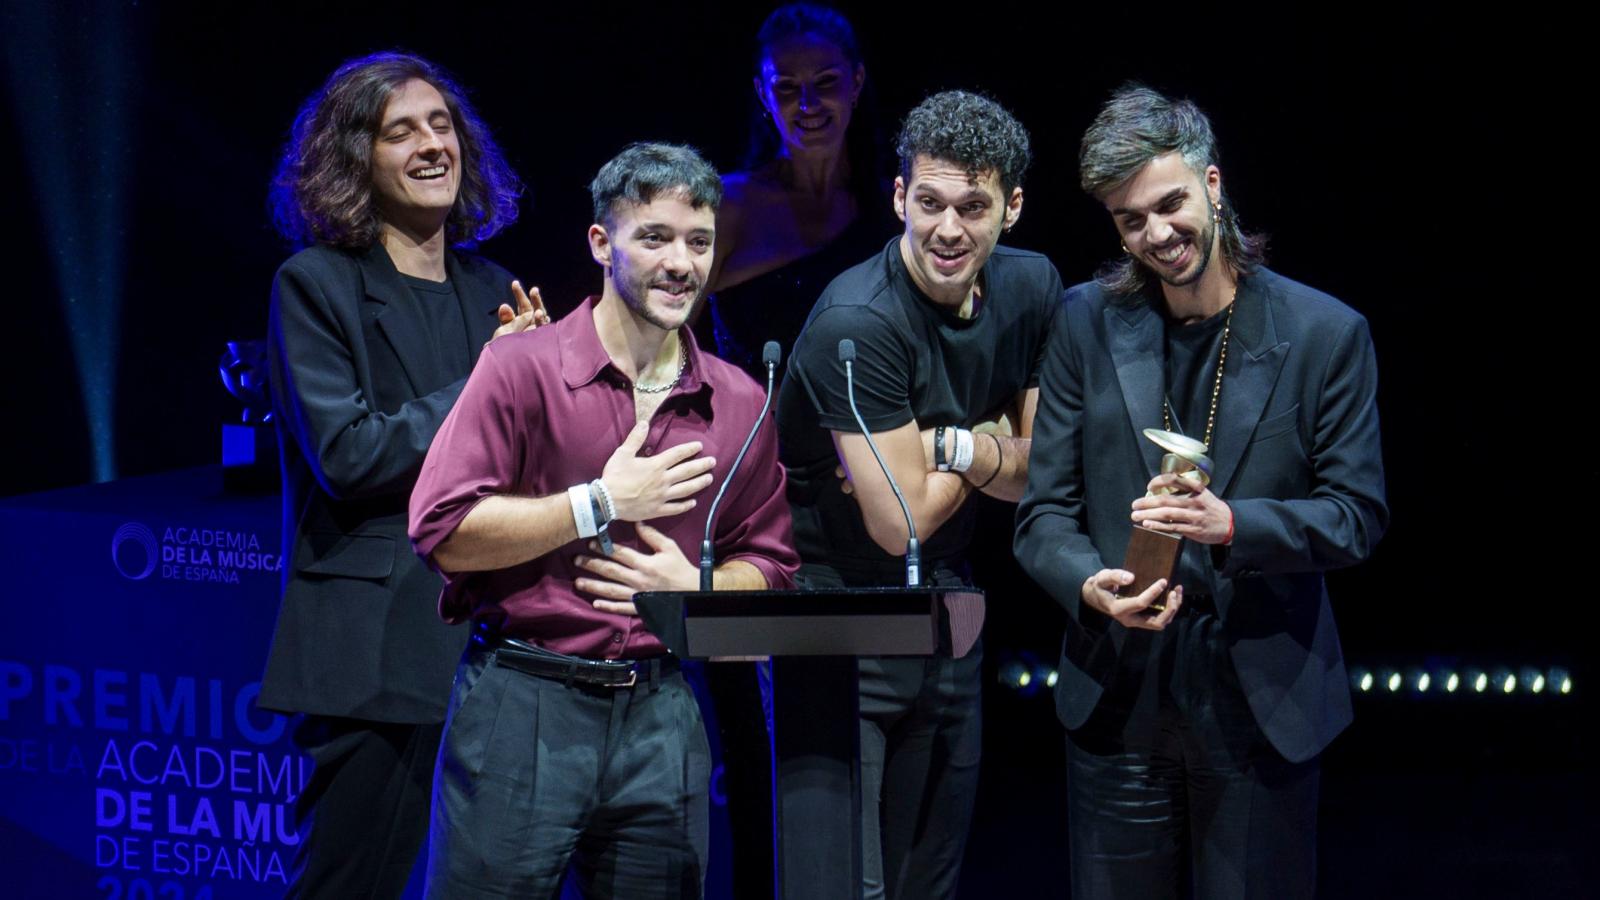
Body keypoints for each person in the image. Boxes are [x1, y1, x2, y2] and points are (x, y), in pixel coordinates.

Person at [1014, 85, 1388, 899]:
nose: (1156, 234)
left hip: (1262, 706)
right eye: (1128, 220)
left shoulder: (1324, 333)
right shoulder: (1084, 323)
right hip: (1118, 698)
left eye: (1170, 204)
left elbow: (1356, 517)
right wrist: (1087, 580)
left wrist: (1233, 526)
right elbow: (1042, 513)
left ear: (1213, 185)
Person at [408, 142, 799, 898]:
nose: (680, 263)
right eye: (654, 237)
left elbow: (775, 568)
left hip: (662, 709)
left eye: (699, 241)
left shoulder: (740, 400)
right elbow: (441, 531)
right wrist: (599, 503)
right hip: (525, 699)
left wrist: (699, 586)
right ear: (601, 243)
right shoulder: (521, 368)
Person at [257, 51, 541, 898]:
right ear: (356, 160)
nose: (431, 144)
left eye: (442, 124)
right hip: (373, 655)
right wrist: (491, 382)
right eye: (400, 130)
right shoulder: (315, 285)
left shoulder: (490, 287)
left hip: (496, 646)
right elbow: (347, 455)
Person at [777, 90, 1059, 900]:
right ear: (899, 197)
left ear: (1011, 205)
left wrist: (950, 445)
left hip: (948, 610)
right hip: (837, 620)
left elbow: (1046, 472)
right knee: (844, 888)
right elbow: (897, 519)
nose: (948, 229)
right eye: (928, 202)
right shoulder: (856, 322)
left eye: (974, 207)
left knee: (927, 884)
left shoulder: (1033, 287)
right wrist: (996, 439)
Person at [698, 3, 892, 380]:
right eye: (786, 87)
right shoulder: (726, 206)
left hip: (873, 431)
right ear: (762, 94)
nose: (808, 103)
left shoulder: (893, 207)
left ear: (856, 81)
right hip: (755, 434)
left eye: (825, 82)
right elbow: (663, 335)